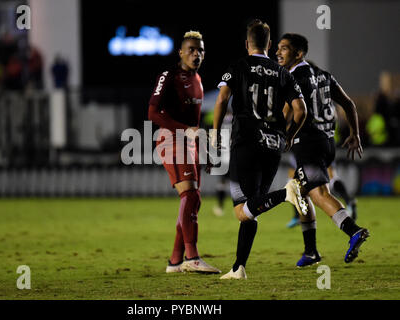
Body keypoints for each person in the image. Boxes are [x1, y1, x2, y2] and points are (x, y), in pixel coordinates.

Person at [211, 20, 308, 280]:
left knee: (241, 210)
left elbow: (221, 99)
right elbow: (301, 111)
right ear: (269, 44)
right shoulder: (282, 72)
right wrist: (288, 137)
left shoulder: (238, 66)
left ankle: (286, 194)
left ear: (247, 43)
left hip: (246, 142)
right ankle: (238, 268)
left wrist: (214, 132)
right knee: (254, 208)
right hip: (273, 145)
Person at [276, 33, 369, 267]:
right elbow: (349, 104)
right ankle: (310, 251)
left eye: (284, 49)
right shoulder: (325, 75)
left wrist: (281, 134)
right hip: (327, 142)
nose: (278, 52)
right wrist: (354, 134)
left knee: (319, 194)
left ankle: (353, 230)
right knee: (300, 193)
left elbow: (289, 111)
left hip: (307, 142)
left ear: (298, 54)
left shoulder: (291, 77)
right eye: (278, 48)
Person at [148, 31, 221, 274]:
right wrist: (184, 130)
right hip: (171, 138)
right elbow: (153, 113)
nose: (196, 54)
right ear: (180, 52)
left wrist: (206, 152)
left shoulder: (198, 80)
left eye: (200, 50)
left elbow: (196, 125)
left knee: (193, 200)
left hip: (189, 142)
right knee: (190, 197)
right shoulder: (168, 77)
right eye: (191, 49)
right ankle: (192, 257)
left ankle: (175, 261)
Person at [286, 158, 358, 228]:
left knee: (293, 182)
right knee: (332, 178)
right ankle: (349, 201)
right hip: (323, 149)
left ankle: (297, 216)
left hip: (303, 150)